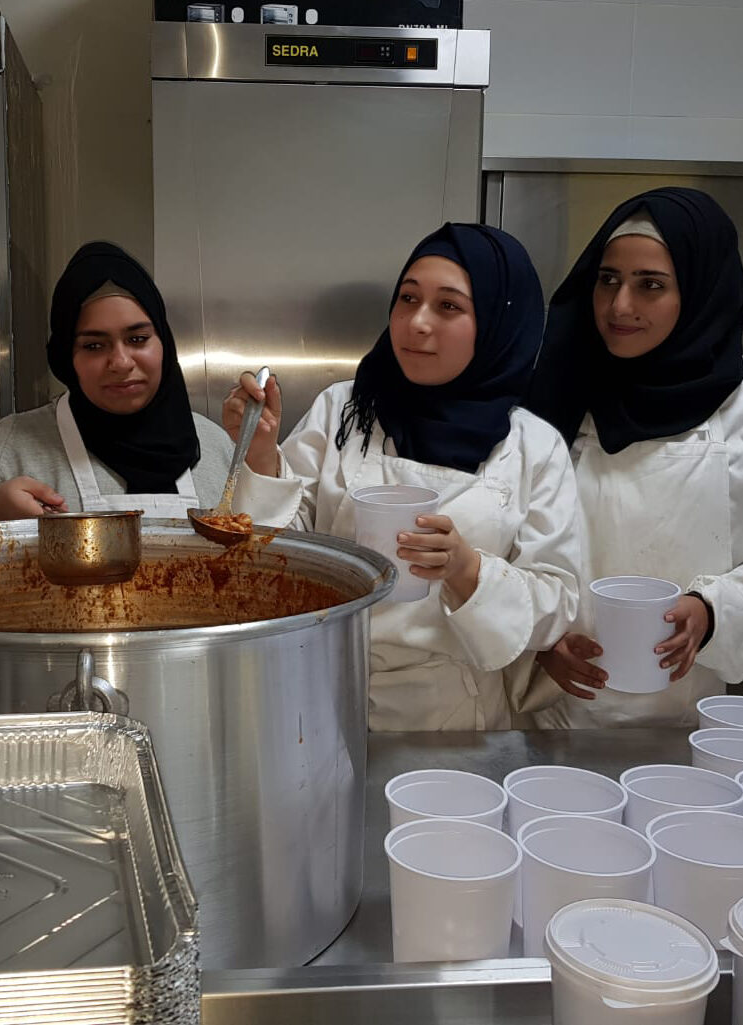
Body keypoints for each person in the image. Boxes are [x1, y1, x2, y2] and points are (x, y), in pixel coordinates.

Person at [223, 223, 582, 731]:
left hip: (453, 717)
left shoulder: (532, 445)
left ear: (500, 323)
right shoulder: (342, 410)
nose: (416, 323)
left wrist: (466, 569)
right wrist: (260, 456)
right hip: (319, 691)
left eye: (449, 306)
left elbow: (557, 602)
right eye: (408, 298)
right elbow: (270, 554)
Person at [525, 187, 743, 727]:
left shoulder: (737, 410)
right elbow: (507, 541)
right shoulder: (555, 391)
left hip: (693, 720)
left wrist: (714, 611)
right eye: (608, 280)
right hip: (553, 711)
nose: (620, 306)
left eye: (650, 285)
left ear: (698, 293)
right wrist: (538, 639)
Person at [0, 242, 233, 537]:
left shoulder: (215, 446)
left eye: (138, 338)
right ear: (65, 357)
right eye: (94, 345)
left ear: (164, 344)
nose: (121, 362)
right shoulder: (16, 446)